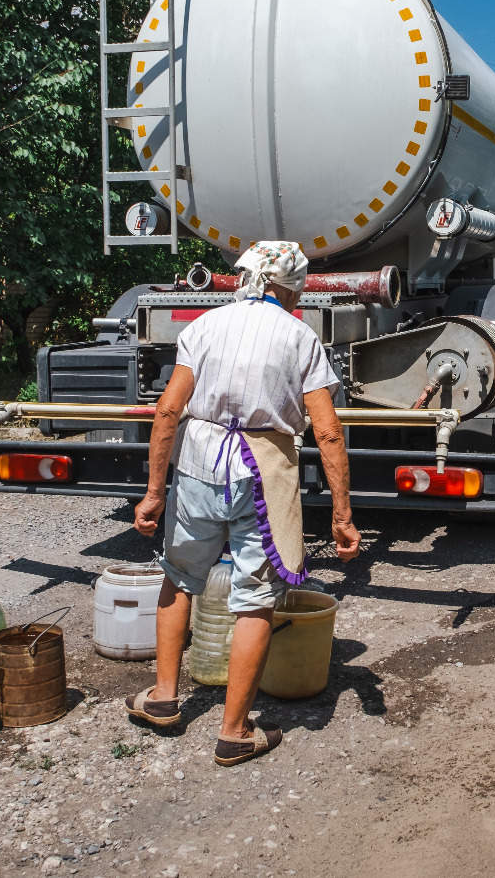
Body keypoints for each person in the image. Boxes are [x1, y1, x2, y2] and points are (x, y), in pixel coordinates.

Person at [128, 240, 359, 767]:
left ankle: (164, 698)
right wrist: (342, 516)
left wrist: (154, 492)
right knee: (254, 596)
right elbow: (327, 431)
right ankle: (234, 731)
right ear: (289, 288)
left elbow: (168, 411)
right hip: (263, 473)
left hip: (199, 464)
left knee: (181, 575)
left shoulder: (203, 328)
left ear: (244, 279)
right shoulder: (301, 338)